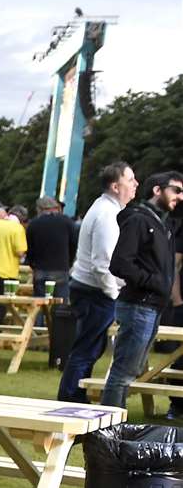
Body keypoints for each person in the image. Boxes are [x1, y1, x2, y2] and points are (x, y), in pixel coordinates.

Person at [99, 171, 182, 407]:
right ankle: (108, 429)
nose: (180, 196)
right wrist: (154, 282)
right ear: (158, 190)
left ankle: (111, 425)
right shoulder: (138, 220)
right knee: (123, 373)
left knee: (130, 371)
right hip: (139, 305)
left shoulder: (162, 222)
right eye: (176, 190)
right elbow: (120, 263)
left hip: (151, 306)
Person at [58, 162, 138, 402]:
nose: (136, 184)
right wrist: (113, 293)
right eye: (130, 179)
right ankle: (71, 400)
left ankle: (73, 398)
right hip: (95, 291)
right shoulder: (107, 214)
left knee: (88, 348)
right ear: (116, 186)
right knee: (86, 350)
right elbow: (102, 263)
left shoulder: (103, 208)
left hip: (89, 288)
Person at [25, 196, 77, 298]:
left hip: (40, 268)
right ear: (56, 208)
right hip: (61, 268)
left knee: (39, 303)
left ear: (39, 209)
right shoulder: (67, 222)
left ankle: (40, 314)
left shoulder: (34, 224)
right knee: (60, 302)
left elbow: (29, 248)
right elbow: (73, 244)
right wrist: (69, 262)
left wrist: (32, 264)